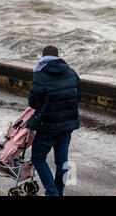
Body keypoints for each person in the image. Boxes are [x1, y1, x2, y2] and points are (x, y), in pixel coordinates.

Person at [27, 45, 81, 196]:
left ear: (43, 58)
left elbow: (33, 103)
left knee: (38, 158)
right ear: (58, 57)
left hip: (47, 126)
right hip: (67, 126)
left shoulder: (40, 75)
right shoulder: (71, 72)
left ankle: (52, 192)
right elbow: (78, 96)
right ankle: (58, 192)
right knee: (62, 161)